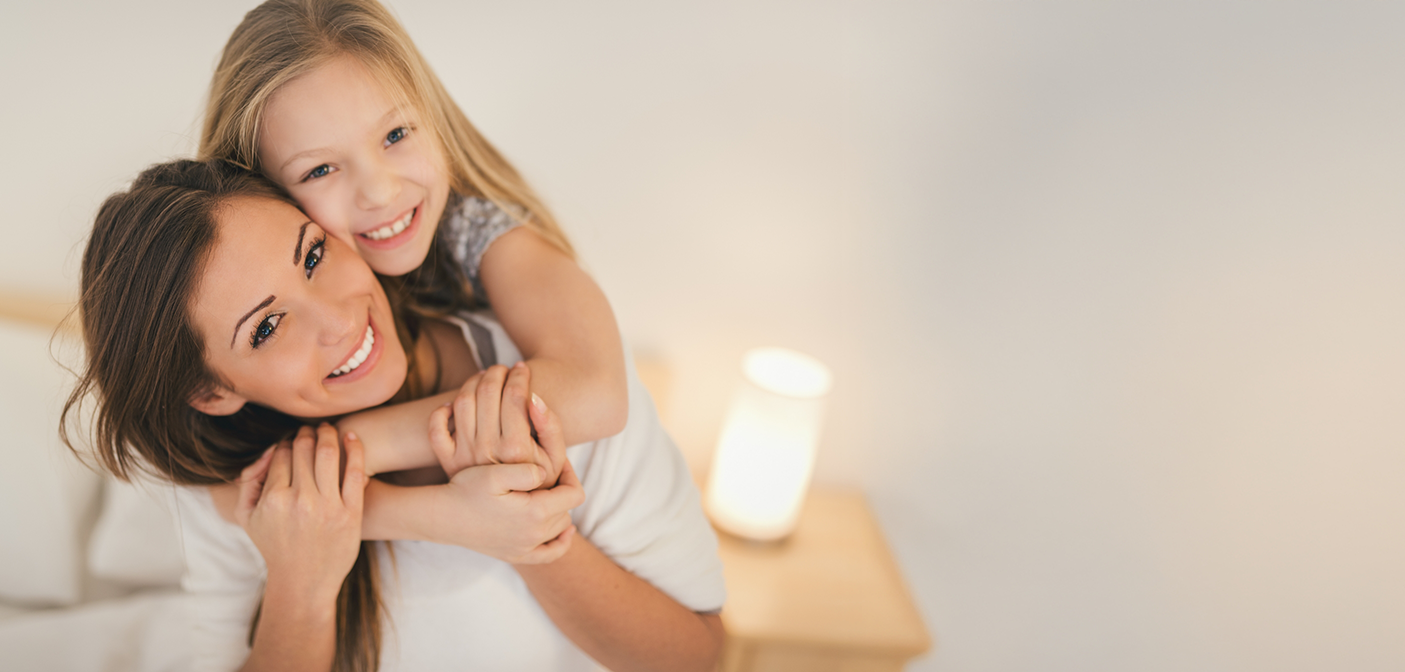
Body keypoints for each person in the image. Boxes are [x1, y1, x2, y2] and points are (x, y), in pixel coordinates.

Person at [63, 160, 725, 671]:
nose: (340, 318)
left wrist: (530, 534)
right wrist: (301, 586)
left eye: (314, 255)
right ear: (213, 393)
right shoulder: (232, 501)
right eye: (266, 328)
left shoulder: (559, 380)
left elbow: (695, 658)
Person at [197, 0, 629, 459]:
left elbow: (597, 393)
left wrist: (358, 452)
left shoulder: (477, 231)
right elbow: (227, 493)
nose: (380, 192)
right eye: (321, 169)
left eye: (396, 135)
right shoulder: (259, 337)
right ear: (261, 195)